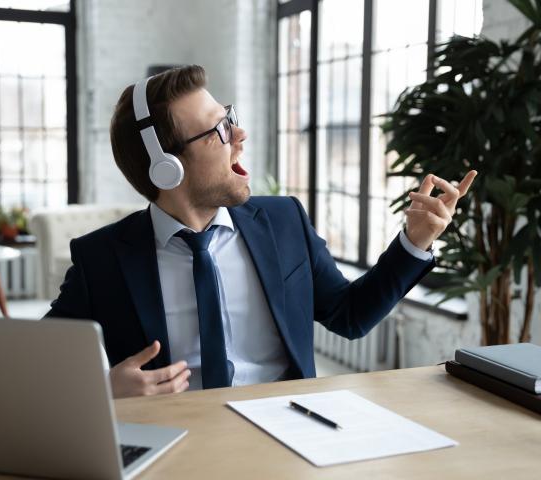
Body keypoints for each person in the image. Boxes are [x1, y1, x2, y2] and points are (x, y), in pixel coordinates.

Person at [45, 65, 477, 398]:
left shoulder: (284, 220)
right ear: (166, 166)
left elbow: (349, 316)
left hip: (286, 429)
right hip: (173, 442)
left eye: (229, 117)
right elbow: (30, 365)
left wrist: (415, 240)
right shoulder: (101, 258)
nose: (240, 133)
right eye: (218, 130)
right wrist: (103, 385)